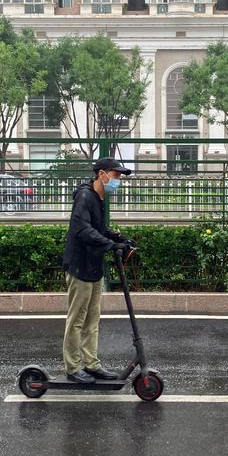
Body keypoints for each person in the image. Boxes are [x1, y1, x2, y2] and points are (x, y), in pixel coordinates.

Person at [61, 157, 132, 384]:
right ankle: (73, 368)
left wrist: (118, 238)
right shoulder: (84, 196)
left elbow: (97, 228)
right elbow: (82, 229)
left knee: (92, 319)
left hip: (93, 266)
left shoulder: (98, 197)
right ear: (102, 174)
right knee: (77, 320)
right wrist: (110, 245)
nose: (117, 180)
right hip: (80, 266)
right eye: (116, 175)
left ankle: (91, 365)